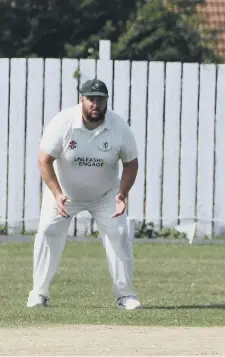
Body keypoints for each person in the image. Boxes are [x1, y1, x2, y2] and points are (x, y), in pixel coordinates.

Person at [27, 78, 142, 310]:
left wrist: (122, 194)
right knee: (48, 231)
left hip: (106, 195)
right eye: (90, 99)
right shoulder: (63, 122)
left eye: (100, 100)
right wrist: (57, 193)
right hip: (65, 193)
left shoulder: (119, 127)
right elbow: (44, 160)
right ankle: (39, 293)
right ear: (82, 99)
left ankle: (125, 296)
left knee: (119, 234)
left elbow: (131, 163)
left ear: (106, 101)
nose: (95, 105)